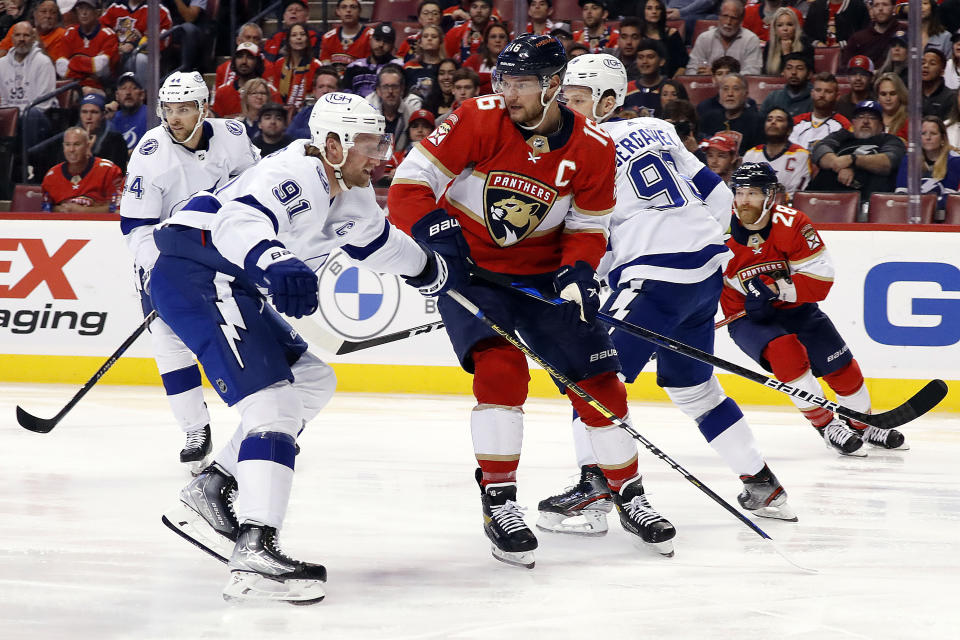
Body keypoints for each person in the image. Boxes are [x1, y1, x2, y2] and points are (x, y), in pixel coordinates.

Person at [389, 34, 677, 567]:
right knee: (500, 372)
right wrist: (433, 229)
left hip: (543, 278)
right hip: (471, 274)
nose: (507, 92)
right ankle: (499, 500)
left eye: (519, 83)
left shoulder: (594, 145)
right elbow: (409, 184)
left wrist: (580, 272)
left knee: (600, 386)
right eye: (503, 80)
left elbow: (589, 224)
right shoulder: (477, 118)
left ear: (552, 87)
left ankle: (629, 495)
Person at [156, 91, 450, 603]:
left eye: (381, 142)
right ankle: (255, 546)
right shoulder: (295, 175)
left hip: (232, 282)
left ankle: (212, 483)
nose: (379, 156)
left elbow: (379, 244)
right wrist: (274, 260)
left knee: (315, 380)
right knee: (273, 404)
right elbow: (238, 223)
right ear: (331, 144)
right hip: (198, 277)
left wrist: (431, 268)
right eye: (368, 144)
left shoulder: (351, 192)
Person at [536, 53, 795, 538]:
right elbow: (718, 199)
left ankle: (595, 490)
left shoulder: (578, 145)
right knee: (693, 388)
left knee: (590, 380)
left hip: (653, 277)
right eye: (563, 97)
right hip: (702, 272)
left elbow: (578, 228)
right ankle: (763, 486)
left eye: (575, 99)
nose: (564, 106)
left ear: (608, 102)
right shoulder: (657, 127)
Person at [119, 71, 260, 473]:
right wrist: (162, 274)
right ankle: (195, 429)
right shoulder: (150, 154)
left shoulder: (232, 134)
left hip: (223, 251)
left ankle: (263, 420)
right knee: (168, 341)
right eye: (168, 109)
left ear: (204, 108)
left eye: (184, 109)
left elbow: (255, 187)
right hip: (165, 256)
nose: (175, 117)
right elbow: (135, 226)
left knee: (245, 329)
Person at [722, 162, 908, 455]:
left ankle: (862, 423)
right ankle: (827, 426)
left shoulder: (793, 223)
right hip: (747, 317)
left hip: (797, 308)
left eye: (753, 193)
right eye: (740, 192)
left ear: (770, 195)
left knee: (842, 367)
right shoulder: (718, 230)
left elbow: (820, 279)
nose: (744, 200)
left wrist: (774, 288)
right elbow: (696, 281)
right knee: (785, 351)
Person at [808, 100, 905, 204]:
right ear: (853, 122)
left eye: (872, 117)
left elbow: (888, 161)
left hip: (869, 201)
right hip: (826, 199)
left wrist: (852, 160)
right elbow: (819, 150)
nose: (866, 121)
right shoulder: (841, 136)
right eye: (861, 116)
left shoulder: (890, 140)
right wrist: (839, 164)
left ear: (881, 125)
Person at [41, 126, 123, 213]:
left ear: (87, 146)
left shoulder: (109, 170)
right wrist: (60, 209)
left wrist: (84, 211)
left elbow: (117, 209)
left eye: (77, 144)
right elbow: (46, 210)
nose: (71, 150)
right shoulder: (52, 176)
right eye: (67, 145)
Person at [0, 21, 55, 150]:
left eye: (26, 35)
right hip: (9, 116)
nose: (21, 39)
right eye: (18, 35)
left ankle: (29, 164)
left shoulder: (43, 63)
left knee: (31, 114)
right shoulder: (1, 64)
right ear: (12, 38)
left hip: (38, 119)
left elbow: (43, 104)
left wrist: (17, 117)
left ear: (33, 38)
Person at [742, 107, 811, 199]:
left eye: (779, 120)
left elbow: (797, 194)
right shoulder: (751, 154)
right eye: (769, 119)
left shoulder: (801, 155)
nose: (773, 122)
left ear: (789, 130)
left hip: (786, 208)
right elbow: (743, 188)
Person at [895, 115, 960, 211]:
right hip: (911, 216)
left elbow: (949, 199)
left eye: (933, 133)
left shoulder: (954, 161)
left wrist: (923, 207)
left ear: (943, 138)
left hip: (941, 218)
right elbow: (901, 195)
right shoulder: (909, 160)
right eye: (923, 133)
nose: (928, 137)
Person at [100, 0, 172, 83]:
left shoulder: (158, 10)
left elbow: (165, 39)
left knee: (141, 59)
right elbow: (100, 30)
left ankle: (146, 94)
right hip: (116, 54)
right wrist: (116, 46)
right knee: (101, 59)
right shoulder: (115, 7)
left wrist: (136, 43)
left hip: (142, 57)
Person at [686, 0, 762, 76]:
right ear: (719, 16)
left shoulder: (751, 40)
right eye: (725, 16)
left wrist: (719, 75)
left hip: (738, 87)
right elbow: (691, 70)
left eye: (734, 18)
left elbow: (753, 73)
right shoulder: (704, 38)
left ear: (741, 20)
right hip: (707, 85)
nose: (728, 22)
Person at [55, 0, 118, 91]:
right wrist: (91, 67)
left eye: (88, 9)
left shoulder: (108, 35)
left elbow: (102, 70)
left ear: (97, 13)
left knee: (88, 102)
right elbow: (61, 68)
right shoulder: (70, 33)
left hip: (99, 88)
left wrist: (73, 61)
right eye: (80, 8)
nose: (83, 13)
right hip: (70, 86)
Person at [211, 42, 281, 117]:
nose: (244, 61)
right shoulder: (222, 92)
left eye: (250, 57)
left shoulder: (270, 92)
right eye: (240, 57)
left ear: (258, 62)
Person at [699, 73, 763, 154]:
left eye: (736, 89)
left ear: (746, 94)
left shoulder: (757, 122)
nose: (730, 94)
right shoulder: (708, 119)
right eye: (725, 89)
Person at [790, 72, 851, 152]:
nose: (822, 95)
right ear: (812, 93)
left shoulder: (844, 125)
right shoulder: (795, 122)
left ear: (837, 96)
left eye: (828, 91)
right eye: (818, 90)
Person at [269, 23, 323, 111]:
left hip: (307, 111)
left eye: (302, 34)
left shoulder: (316, 65)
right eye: (294, 35)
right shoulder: (279, 63)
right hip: (282, 112)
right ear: (288, 41)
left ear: (307, 40)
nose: (299, 37)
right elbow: (276, 92)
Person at [367, 63, 421, 150]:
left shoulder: (411, 114)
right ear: (378, 91)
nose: (390, 91)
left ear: (402, 89)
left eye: (394, 86)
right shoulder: (370, 115)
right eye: (385, 86)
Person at [343, 23, 402, 98]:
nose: (381, 44)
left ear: (392, 46)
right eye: (377, 39)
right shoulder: (354, 67)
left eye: (386, 42)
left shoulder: (398, 67)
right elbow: (346, 95)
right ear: (370, 40)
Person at [76, 93, 129, 171]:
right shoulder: (70, 138)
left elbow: (115, 172)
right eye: (84, 112)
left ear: (103, 115)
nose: (88, 117)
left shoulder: (115, 140)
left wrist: (88, 156)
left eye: (94, 112)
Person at [636, 0, 688, 78]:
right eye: (649, 8)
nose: (654, 11)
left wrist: (672, 83)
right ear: (642, 11)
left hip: (669, 81)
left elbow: (682, 64)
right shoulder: (637, 36)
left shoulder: (672, 34)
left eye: (658, 8)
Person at [0, 0, 67, 60]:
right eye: (43, 11)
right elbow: (2, 52)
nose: (48, 16)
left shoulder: (62, 35)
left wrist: (39, 44)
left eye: (53, 12)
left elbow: (54, 68)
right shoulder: (19, 28)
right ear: (34, 13)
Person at [841, 0, 899, 69]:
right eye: (876, 5)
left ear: (894, 8)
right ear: (871, 9)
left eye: (885, 4)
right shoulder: (858, 38)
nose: (880, 8)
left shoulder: (905, 31)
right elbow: (845, 68)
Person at [287, 66, 340, 139]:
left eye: (330, 87)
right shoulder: (304, 113)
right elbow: (289, 135)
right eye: (321, 87)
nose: (325, 91)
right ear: (314, 91)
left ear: (338, 91)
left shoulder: (345, 114)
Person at [214, 23, 272, 90]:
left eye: (256, 38)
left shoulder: (269, 67)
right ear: (238, 41)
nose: (251, 41)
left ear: (261, 44)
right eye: (248, 37)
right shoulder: (223, 68)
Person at [621, 37, 668, 116]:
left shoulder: (670, 87)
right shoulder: (627, 88)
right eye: (640, 57)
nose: (644, 61)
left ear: (661, 61)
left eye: (650, 57)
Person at [759, 52, 813, 119]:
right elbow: (761, 122)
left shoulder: (815, 99)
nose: (793, 72)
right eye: (789, 68)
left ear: (809, 74)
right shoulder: (773, 97)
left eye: (799, 68)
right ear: (783, 72)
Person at [319, 0, 370, 69]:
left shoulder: (371, 36)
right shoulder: (328, 38)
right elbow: (325, 67)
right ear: (338, 11)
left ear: (359, 11)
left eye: (353, 7)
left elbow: (370, 66)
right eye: (344, 7)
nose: (348, 10)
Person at [762, 7, 814, 75]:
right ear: (775, 29)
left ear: (795, 27)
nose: (785, 29)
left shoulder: (804, 44)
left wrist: (787, 54)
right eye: (780, 25)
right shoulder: (769, 46)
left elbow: (807, 74)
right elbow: (764, 74)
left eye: (789, 24)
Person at [463, 22, 508, 95]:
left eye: (502, 37)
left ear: (507, 42)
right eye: (493, 37)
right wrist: (492, 77)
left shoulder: (515, 63)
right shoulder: (474, 60)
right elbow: (462, 81)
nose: (497, 40)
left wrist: (481, 78)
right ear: (486, 42)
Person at [107, 71, 148, 151]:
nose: (128, 92)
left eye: (134, 88)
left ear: (142, 95)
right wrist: (106, 120)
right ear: (117, 96)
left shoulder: (152, 114)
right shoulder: (112, 118)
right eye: (123, 88)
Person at [803, 0, 868, 49]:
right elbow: (806, 34)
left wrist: (843, 44)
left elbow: (864, 34)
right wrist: (817, 43)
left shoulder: (859, 6)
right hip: (819, 54)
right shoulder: (816, 6)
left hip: (849, 53)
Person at [403, 24, 444, 99]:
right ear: (420, 43)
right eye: (425, 36)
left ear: (440, 42)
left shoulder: (445, 67)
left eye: (434, 37)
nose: (429, 39)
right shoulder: (410, 67)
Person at [921, 47, 957, 121]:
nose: (925, 66)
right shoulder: (911, 95)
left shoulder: (951, 98)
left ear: (942, 71)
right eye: (923, 63)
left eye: (932, 63)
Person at [835, 54, 874, 121]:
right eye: (854, 73)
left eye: (863, 74)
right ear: (848, 77)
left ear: (871, 78)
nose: (858, 78)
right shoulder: (840, 103)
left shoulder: (876, 103)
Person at [875, 71, 907, 140]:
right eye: (883, 94)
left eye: (892, 93)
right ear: (878, 97)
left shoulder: (909, 123)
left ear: (900, 95)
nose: (888, 98)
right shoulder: (871, 120)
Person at [613, 16, 641, 81]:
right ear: (618, 40)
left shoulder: (645, 65)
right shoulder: (607, 57)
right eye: (624, 37)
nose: (629, 42)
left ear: (642, 40)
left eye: (634, 37)